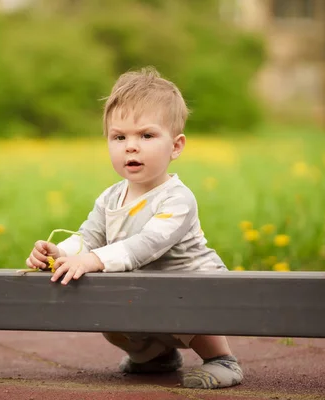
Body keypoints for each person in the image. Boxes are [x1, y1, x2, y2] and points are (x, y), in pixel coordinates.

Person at [25, 66, 243, 389]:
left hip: (191, 290)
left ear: (176, 146)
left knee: (187, 300)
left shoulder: (177, 199)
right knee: (108, 316)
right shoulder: (110, 198)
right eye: (119, 137)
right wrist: (61, 252)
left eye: (146, 135)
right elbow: (89, 237)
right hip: (146, 293)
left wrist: (94, 260)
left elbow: (145, 244)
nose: (131, 146)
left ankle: (222, 359)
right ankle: (156, 357)